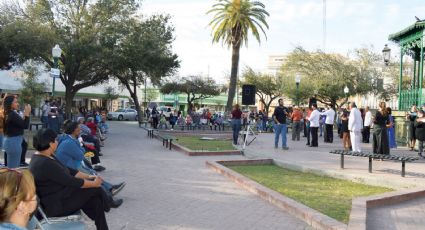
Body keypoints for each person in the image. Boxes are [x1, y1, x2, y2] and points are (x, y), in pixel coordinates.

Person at [29, 128, 111, 230]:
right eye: (56, 140)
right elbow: (71, 181)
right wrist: (94, 183)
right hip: (55, 206)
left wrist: (89, 177)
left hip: (60, 196)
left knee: (95, 199)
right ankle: (109, 203)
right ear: (50, 143)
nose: (57, 142)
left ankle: (103, 226)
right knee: (94, 189)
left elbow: (69, 170)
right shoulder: (44, 163)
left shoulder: (45, 156)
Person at [3, 96, 31, 168]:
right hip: (13, 142)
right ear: (10, 104)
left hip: (11, 141)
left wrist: (25, 115)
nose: (17, 104)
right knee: (13, 170)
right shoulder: (12, 114)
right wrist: (27, 114)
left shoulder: (8, 113)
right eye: (15, 102)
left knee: (10, 168)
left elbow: (20, 124)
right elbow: (25, 125)